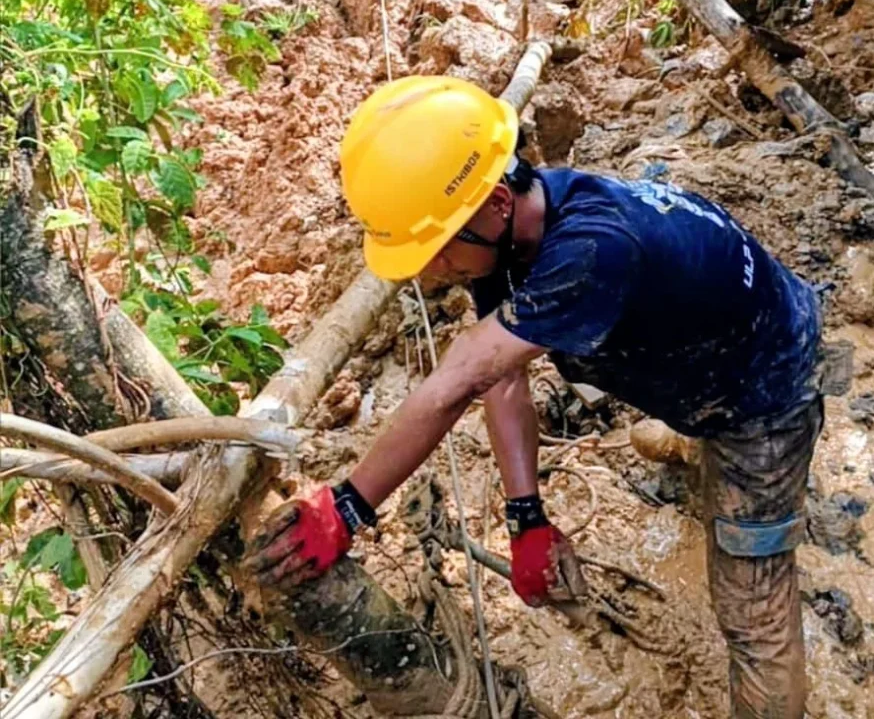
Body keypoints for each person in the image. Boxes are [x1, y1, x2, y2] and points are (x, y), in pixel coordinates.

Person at [246, 75, 827, 719]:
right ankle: (692, 440)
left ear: (495, 202)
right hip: (700, 349)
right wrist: (527, 518)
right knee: (666, 428)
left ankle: (711, 449)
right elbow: (502, 374)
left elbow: (461, 376)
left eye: (436, 249)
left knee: (753, 615)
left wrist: (348, 507)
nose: (432, 271)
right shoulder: (513, 233)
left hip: (765, 392)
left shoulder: (592, 252)